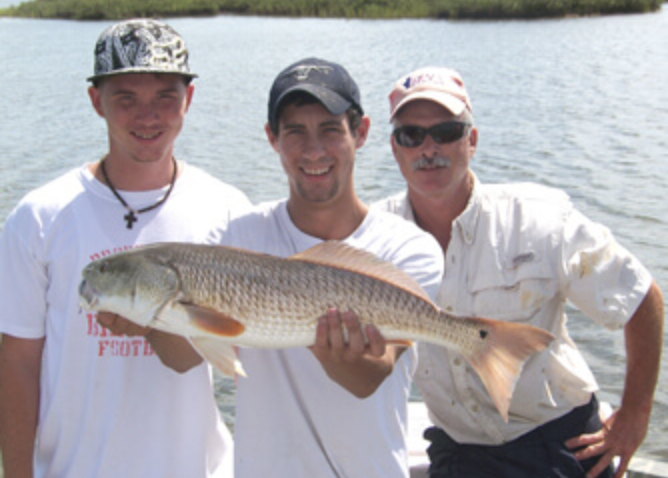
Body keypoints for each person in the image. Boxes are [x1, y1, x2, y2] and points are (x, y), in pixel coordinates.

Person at [373, 66, 664, 478]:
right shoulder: (374, 237)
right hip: (459, 453)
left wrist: (635, 414)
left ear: (471, 140)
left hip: (558, 443)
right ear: (394, 148)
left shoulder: (540, 219)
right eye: (411, 135)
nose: (428, 147)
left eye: (446, 131)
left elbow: (641, 298)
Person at [0, 19, 250, 478]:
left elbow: (237, 351)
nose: (147, 116)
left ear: (188, 100)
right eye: (126, 99)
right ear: (96, 102)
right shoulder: (38, 217)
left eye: (165, 98)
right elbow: (16, 363)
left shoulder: (229, 209)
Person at [215, 58, 444, 477]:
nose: (314, 150)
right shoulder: (238, 239)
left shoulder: (409, 248)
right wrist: (144, 313)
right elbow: (187, 348)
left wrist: (340, 355)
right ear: (272, 138)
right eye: (295, 131)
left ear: (361, 133)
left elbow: (370, 377)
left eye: (330, 130)